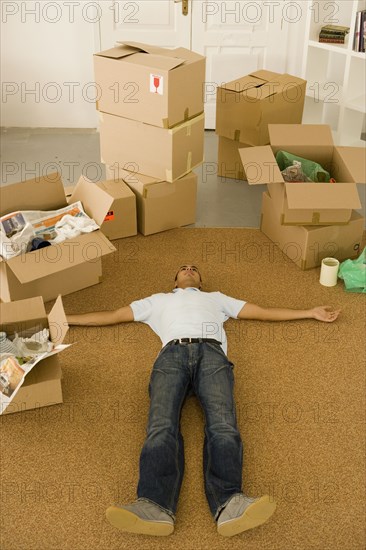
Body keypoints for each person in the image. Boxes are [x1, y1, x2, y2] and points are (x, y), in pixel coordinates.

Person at [67, 265, 341, 538]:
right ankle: (154, 505)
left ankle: (230, 503)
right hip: (171, 355)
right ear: (174, 280)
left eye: (194, 269)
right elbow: (113, 316)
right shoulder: (157, 300)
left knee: (223, 425)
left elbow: (260, 311)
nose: (188, 270)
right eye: (183, 269)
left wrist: (309, 312)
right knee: (161, 425)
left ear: (201, 280)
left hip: (212, 354)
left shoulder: (216, 298)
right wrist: (65, 318)